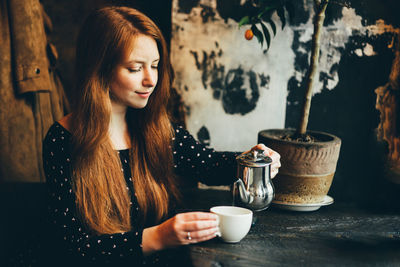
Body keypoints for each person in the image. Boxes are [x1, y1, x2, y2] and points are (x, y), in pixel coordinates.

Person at [42, 6, 281, 266]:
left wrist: (253, 161)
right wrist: (159, 236)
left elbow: (209, 165)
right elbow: (74, 246)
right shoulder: (63, 140)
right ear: (99, 69)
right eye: (135, 68)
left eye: (155, 66)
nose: (150, 80)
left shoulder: (157, 128)